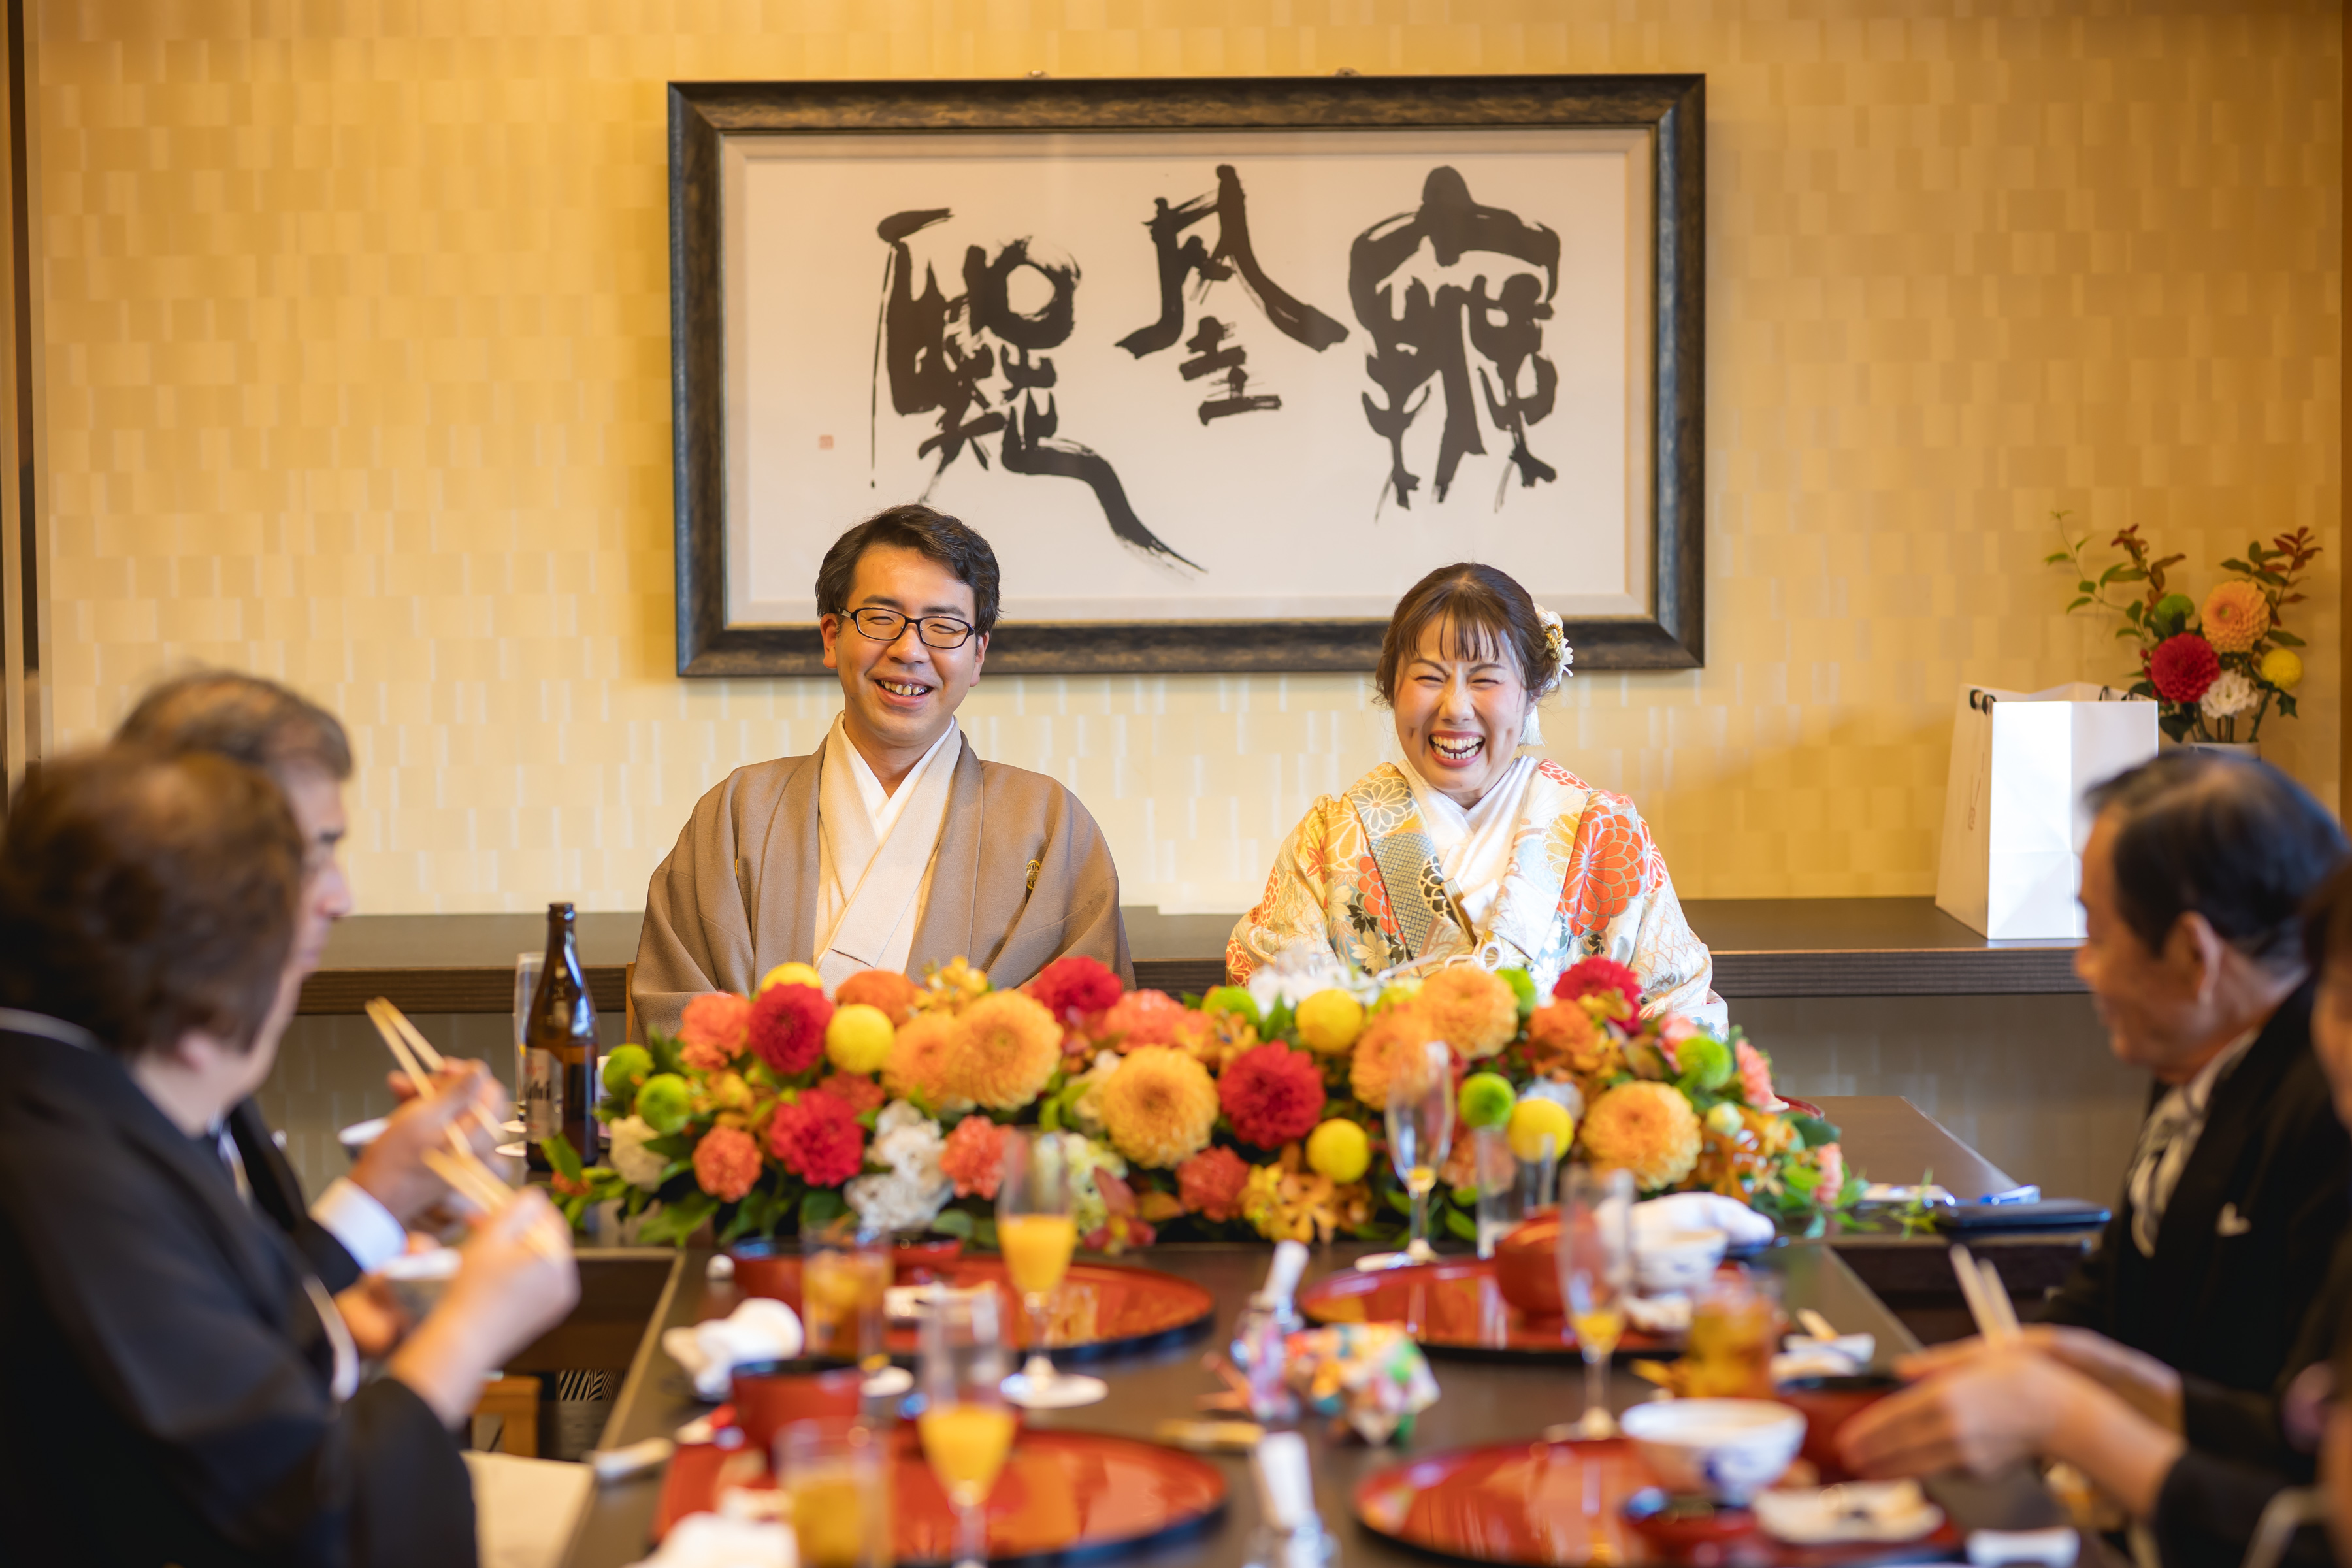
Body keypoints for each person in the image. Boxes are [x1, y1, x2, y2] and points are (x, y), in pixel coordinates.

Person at [0, 746, 578, 1567]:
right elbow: (307, 1516)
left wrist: (334, 1318)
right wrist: (470, 1330)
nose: (335, 902)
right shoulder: (65, 1171)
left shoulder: (70, 1095)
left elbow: (202, 1384)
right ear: (202, 1000)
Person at [1838, 752, 2352, 1568]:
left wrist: (2067, 1413)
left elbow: (2301, 1464)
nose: (2084, 966)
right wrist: (2046, 1364)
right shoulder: (2202, 1055)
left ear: (2195, 955)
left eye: (2096, 933)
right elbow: (2114, 1293)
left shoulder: (2326, 1113)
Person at [634, 504, 1132, 1035]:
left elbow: (1090, 1028)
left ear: (979, 655)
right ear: (831, 636)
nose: (909, 650)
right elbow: (678, 1015)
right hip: (777, 1117)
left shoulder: (1051, 824)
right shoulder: (735, 812)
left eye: (943, 626)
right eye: (880, 619)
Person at [116, 670, 506, 1307]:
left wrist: (396, 1209)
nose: (342, 899)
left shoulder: (205, 1041)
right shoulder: (103, 1099)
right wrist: (377, 1203)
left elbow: (260, 1293)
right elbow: (225, 1374)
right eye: (315, 854)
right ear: (199, 861)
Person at [1228, 561, 1721, 1022]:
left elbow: (1679, 1007)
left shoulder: (1607, 835)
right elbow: (1272, 1001)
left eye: (1485, 678)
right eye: (1428, 678)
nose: (1455, 707)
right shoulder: (1328, 841)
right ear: (1391, 686)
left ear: (1533, 688)